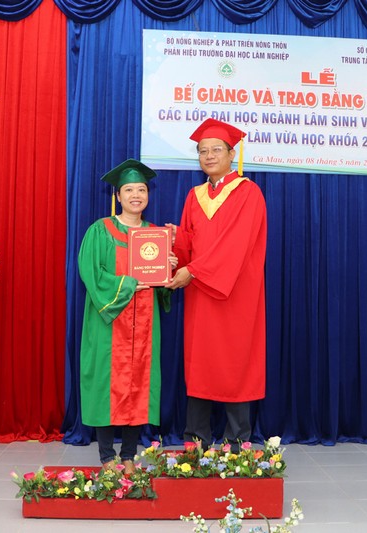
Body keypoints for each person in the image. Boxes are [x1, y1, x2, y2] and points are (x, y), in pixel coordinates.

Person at [166, 118, 268, 452]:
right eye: (203, 151)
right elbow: (192, 242)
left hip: (235, 292)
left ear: (231, 154)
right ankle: (196, 441)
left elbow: (234, 245)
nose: (209, 156)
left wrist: (193, 270)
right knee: (201, 362)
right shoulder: (194, 196)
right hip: (201, 293)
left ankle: (236, 443)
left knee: (235, 361)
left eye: (216, 150)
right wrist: (175, 240)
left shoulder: (248, 193)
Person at [78, 159, 177, 474]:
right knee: (105, 385)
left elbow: (162, 286)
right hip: (109, 322)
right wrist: (130, 284)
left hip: (145, 323)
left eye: (142, 190)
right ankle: (107, 456)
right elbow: (92, 274)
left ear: (148, 194)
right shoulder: (100, 231)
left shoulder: (155, 235)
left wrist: (167, 270)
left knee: (139, 385)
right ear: (118, 196)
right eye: (129, 190)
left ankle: (129, 455)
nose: (136, 195)